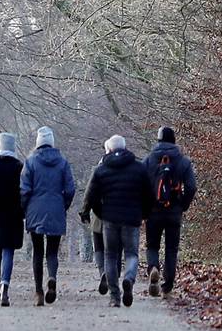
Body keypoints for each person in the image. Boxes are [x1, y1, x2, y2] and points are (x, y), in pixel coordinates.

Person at [78, 133, 154, 306]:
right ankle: (128, 279)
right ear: (125, 147)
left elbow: (91, 196)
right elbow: (149, 195)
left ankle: (114, 296)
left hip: (110, 219)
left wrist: (94, 212)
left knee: (110, 256)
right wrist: (144, 214)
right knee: (132, 254)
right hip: (132, 219)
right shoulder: (139, 168)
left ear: (109, 149)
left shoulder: (102, 169)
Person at [21, 126, 77, 304]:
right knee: (52, 252)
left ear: (37, 143)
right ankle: (51, 277)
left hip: (35, 210)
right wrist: (63, 206)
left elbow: (24, 190)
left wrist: (25, 210)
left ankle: (38, 292)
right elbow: (70, 189)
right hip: (56, 209)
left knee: (38, 252)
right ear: (52, 142)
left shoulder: (30, 162)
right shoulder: (62, 162)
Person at [144, 124, 199, 297]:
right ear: (174, 140)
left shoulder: (149, 159)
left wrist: (144, 206)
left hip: (152, 210)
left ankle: (153, 267)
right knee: (171, 249)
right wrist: (183, 204)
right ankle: (167, 287)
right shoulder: (183, 161)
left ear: (158, 140)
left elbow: (141, 185)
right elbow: (191, 186)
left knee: (152, 245)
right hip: (174, 210)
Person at [0, 133, 28, 306]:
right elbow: (24, 192)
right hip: (13, 215)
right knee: (8, 252)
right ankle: (5, 288)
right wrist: (23, 212)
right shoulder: (19, 166)